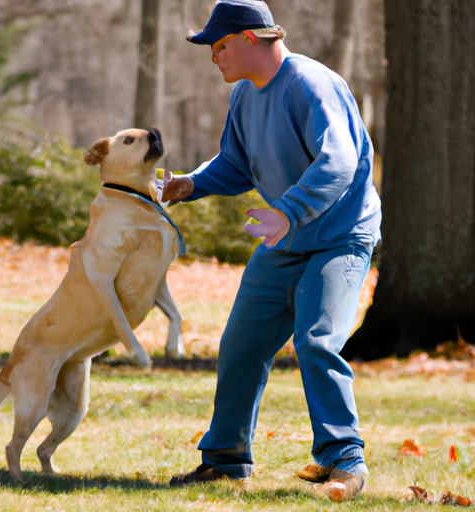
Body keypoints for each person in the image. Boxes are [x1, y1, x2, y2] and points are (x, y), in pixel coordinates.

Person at [161, 0, 381, 502]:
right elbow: (237, 164)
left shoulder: (310, 83)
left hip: (340, 236)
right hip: (287, 240)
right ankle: (225, 461)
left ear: (249, 38)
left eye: (218, 46)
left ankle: (344, 459)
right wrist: (190, 184)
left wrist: (287, 211)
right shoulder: (245, 95)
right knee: (241, 344)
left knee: (317, 340)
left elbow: (339, 161)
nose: (214, 57)